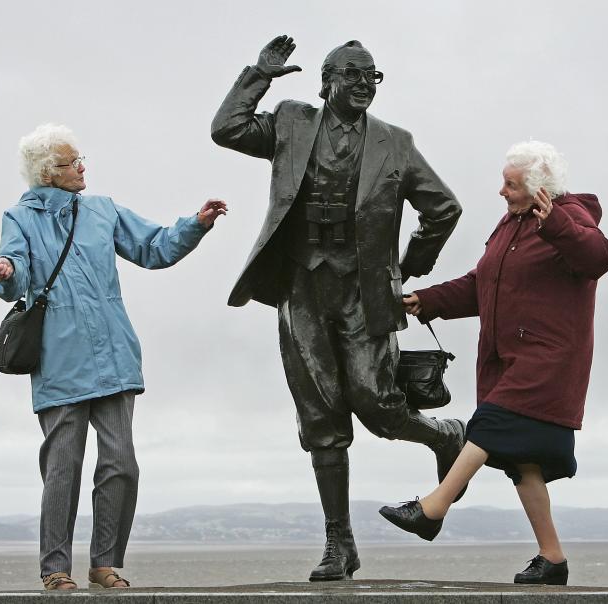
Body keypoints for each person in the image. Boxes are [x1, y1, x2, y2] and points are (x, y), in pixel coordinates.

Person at [210, 36, 465, 581]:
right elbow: (226, 129)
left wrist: (407, 267)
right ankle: (338, 542)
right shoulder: (292, 123)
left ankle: (444, 435)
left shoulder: (395, 143)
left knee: (378, 405)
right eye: (354, 75)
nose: (364, 85)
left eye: (372, 76)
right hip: (301, 285)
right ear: (327, 81)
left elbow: (443, 208)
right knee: (321, 418)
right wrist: (259, 74)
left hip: (361, 289)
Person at [0, 123, 227, 590]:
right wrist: (5, 272)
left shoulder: (102, 210)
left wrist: (195, 225)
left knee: (121, 463)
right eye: (71, 161)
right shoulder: (20, 218)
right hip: (59, 360)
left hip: (114, 356)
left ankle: (105, 563)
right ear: (47, 174)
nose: (82, 167)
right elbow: (11, 269)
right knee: (62, 469)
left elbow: (153, 247)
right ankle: (55, 570)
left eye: (81, 158)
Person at [379, 141, 608, 586]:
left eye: (511, 184)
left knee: (487, 424)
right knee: (523, 464)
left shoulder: (570, 215)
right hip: (507, 358)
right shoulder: (510, 226)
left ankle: (433, 508)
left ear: (539, 187)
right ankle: (553, 559)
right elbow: (480, 285)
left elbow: (598, 258)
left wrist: (557, 223)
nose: (501, 191)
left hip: (549, 358)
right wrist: (425, 300)